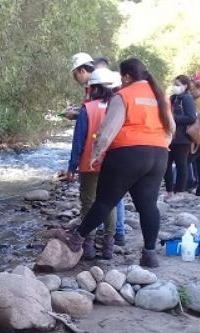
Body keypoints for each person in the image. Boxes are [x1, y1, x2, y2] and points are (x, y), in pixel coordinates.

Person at [52, 58, 175, 268]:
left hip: (127, 154)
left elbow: (108, 130)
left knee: (105, 201)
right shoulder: (160, 95)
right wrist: (159, 146)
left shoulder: (124, 95)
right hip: (158, 155)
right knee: (148, 206)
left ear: (126, 76)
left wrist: (95, 155)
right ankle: (149, 253)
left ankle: (77, 238)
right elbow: (171, 128)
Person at [64, 68, 120, 260]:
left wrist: (72, 167)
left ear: (93, 87)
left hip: (90, 162)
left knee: (88, 202)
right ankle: (108, 247)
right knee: (109, 203)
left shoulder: (87, 108)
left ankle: (88, 246)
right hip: (113, 162)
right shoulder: (118, 106)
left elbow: (78, 141)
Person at [164, 75, 196, 197]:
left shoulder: (187, 99)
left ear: (185, 86)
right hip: (170, 137)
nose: (175, 87)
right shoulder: (172, 98)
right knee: (166, 165)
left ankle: (179, 191)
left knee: (181, 165)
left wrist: (172, 119)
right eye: (174, 84)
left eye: (178, 84)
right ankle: (169, 190)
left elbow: (191, 117)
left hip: (182, 138)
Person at [63, 53, 95, 120]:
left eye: (75, 75)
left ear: (82, 71)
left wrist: (76, 114)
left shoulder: (98, 86)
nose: (74, 78)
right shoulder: (89, 86)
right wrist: (76, 110)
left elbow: (99, 112)